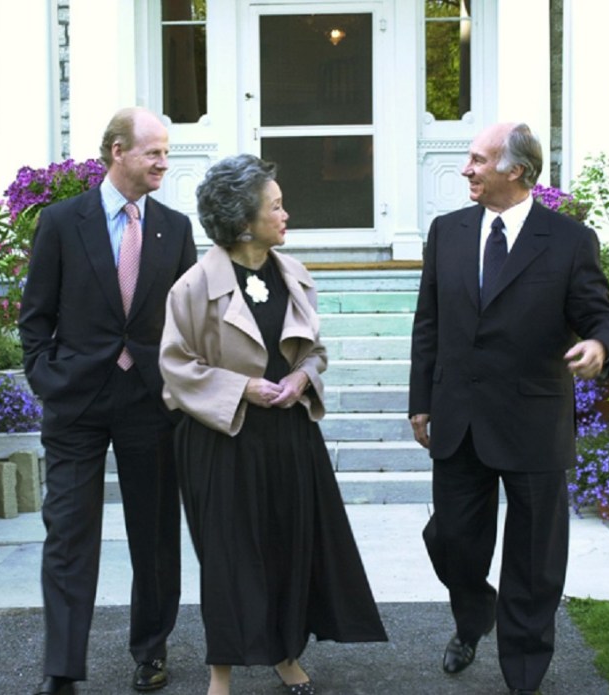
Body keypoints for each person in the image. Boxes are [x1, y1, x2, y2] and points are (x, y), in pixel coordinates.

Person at [408, 122, 609, 695]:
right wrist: (420, 402)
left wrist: (600, 345)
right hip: (458, 418)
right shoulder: (446, 232)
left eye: (478, 160)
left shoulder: (569, 240)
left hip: (532, 419)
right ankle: (474, 613)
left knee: (534, 555)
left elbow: (601, 314)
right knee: (453, 539)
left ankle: (525, 667)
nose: (466, 169)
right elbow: (427, 323)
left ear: (517, 172)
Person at [159, 154, 387, 695]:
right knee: (229, 557)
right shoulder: (192, 287)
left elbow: (316, 351)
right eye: (276, 206)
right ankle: (222, 672)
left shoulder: (293, 274)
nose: (287, 214)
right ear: (244, 220)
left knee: (291, 546)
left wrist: (304, 378)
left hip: (290, 435)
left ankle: (287, 654)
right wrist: (242, 387)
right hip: (223, 438)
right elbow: (175, 366)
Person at [19, 107, 197, 695]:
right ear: (118, 151)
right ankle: (63, 667)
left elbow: (189, 320)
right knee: (68, 535)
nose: (163, 163)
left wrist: (180, 383)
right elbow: (35, 315)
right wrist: (46, 376)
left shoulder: (174, 228)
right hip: (76, 401)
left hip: (151, 402)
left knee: (154, 536)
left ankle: (151, 651)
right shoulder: (61, 222)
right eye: (153, 152)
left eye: (166, 153)